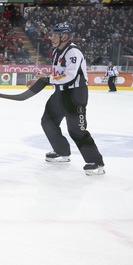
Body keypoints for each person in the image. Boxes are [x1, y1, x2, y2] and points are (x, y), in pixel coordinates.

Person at [32, 22, 105, 175]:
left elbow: (70, 76)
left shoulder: (73, 52)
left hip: (75, 95)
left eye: (55, 35)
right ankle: (62, 152)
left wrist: (47, 80)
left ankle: (96, 163)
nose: (51, 37)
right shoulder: (57, 51)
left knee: (77, 130)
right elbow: (60, 74)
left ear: (64, 36)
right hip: (60, 93)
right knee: (48, 121)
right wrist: (45, 77)